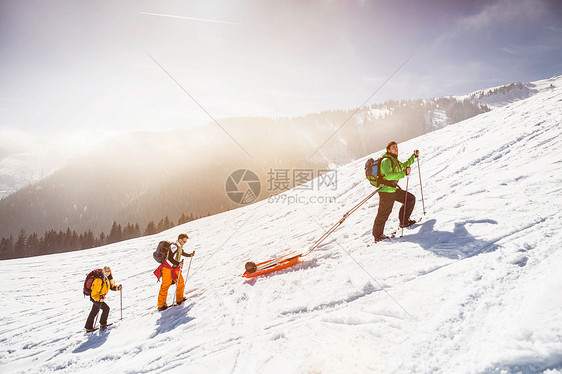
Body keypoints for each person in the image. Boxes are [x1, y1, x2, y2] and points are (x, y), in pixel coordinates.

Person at [371, 141, 420, 242]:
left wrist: (414, 157)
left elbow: (404, 165)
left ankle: (404, 222)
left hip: (392, 189)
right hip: (386, 191)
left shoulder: (394, 160)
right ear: (388, 150)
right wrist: (403, 173)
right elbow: (388, 176)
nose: (396, 148)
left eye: (397, 147)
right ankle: (377, 235)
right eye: (393, 147)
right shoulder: (386, 161)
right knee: (383, 213)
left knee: (409, 199)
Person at [154, 233, 195, 311]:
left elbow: (182, 253)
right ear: (180, 240)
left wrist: (190, 255)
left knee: (180, 282)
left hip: (174, 268)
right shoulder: (174, 247)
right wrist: (178, 263)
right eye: (184, 241)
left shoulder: (179, 246)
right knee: (165, 285)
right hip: (167, 268)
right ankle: (161, 305)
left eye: (185, 242)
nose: (184, 243)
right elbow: (169, 258)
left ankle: (180, 299)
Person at [85, 266, 121, 332]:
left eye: (108, 271)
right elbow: (94, 293)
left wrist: (117, 288)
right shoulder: (99, 280)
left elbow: (111, 287)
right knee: (106, 309)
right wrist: (99, 299)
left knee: (94, 311)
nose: (107, 273)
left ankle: (88, 328)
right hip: (95, 297)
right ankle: (103, 324)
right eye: (106, 271)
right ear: (103, 271)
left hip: (99, 297)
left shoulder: (107, 279)